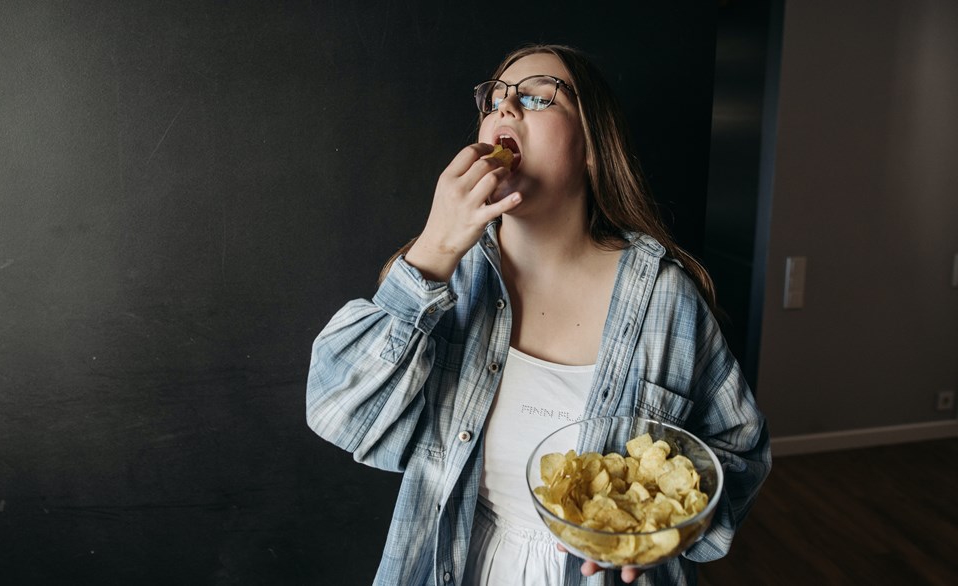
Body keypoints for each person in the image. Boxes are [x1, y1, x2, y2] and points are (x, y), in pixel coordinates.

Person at [306, 44, 771, 585]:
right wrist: (433, 247)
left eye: (536, 97)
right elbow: (337, 412)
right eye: (494, 100)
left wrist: (654, 532)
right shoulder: (445, 277)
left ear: (592, 148)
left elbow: (739, 451)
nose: (506, 110)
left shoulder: (664, 298)